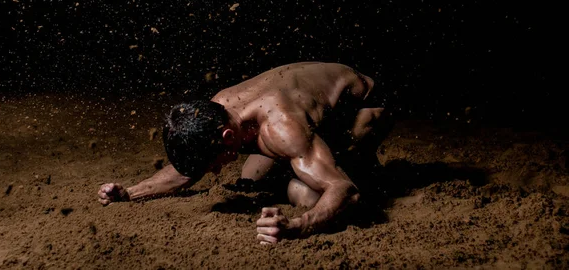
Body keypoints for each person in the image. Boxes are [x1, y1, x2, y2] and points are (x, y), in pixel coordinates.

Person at [98, 62, 392, 244]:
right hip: (303, 120)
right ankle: (308, 163)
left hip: (363, 106)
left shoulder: (281, 127)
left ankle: (371, 174)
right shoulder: (218, 111)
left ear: (228, 137)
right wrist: (130, 193)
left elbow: (343, 190)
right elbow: (188, 170)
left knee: (306, 193)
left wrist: (296, 227)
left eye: (213, 164)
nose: (213, 172)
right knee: (250, 177)